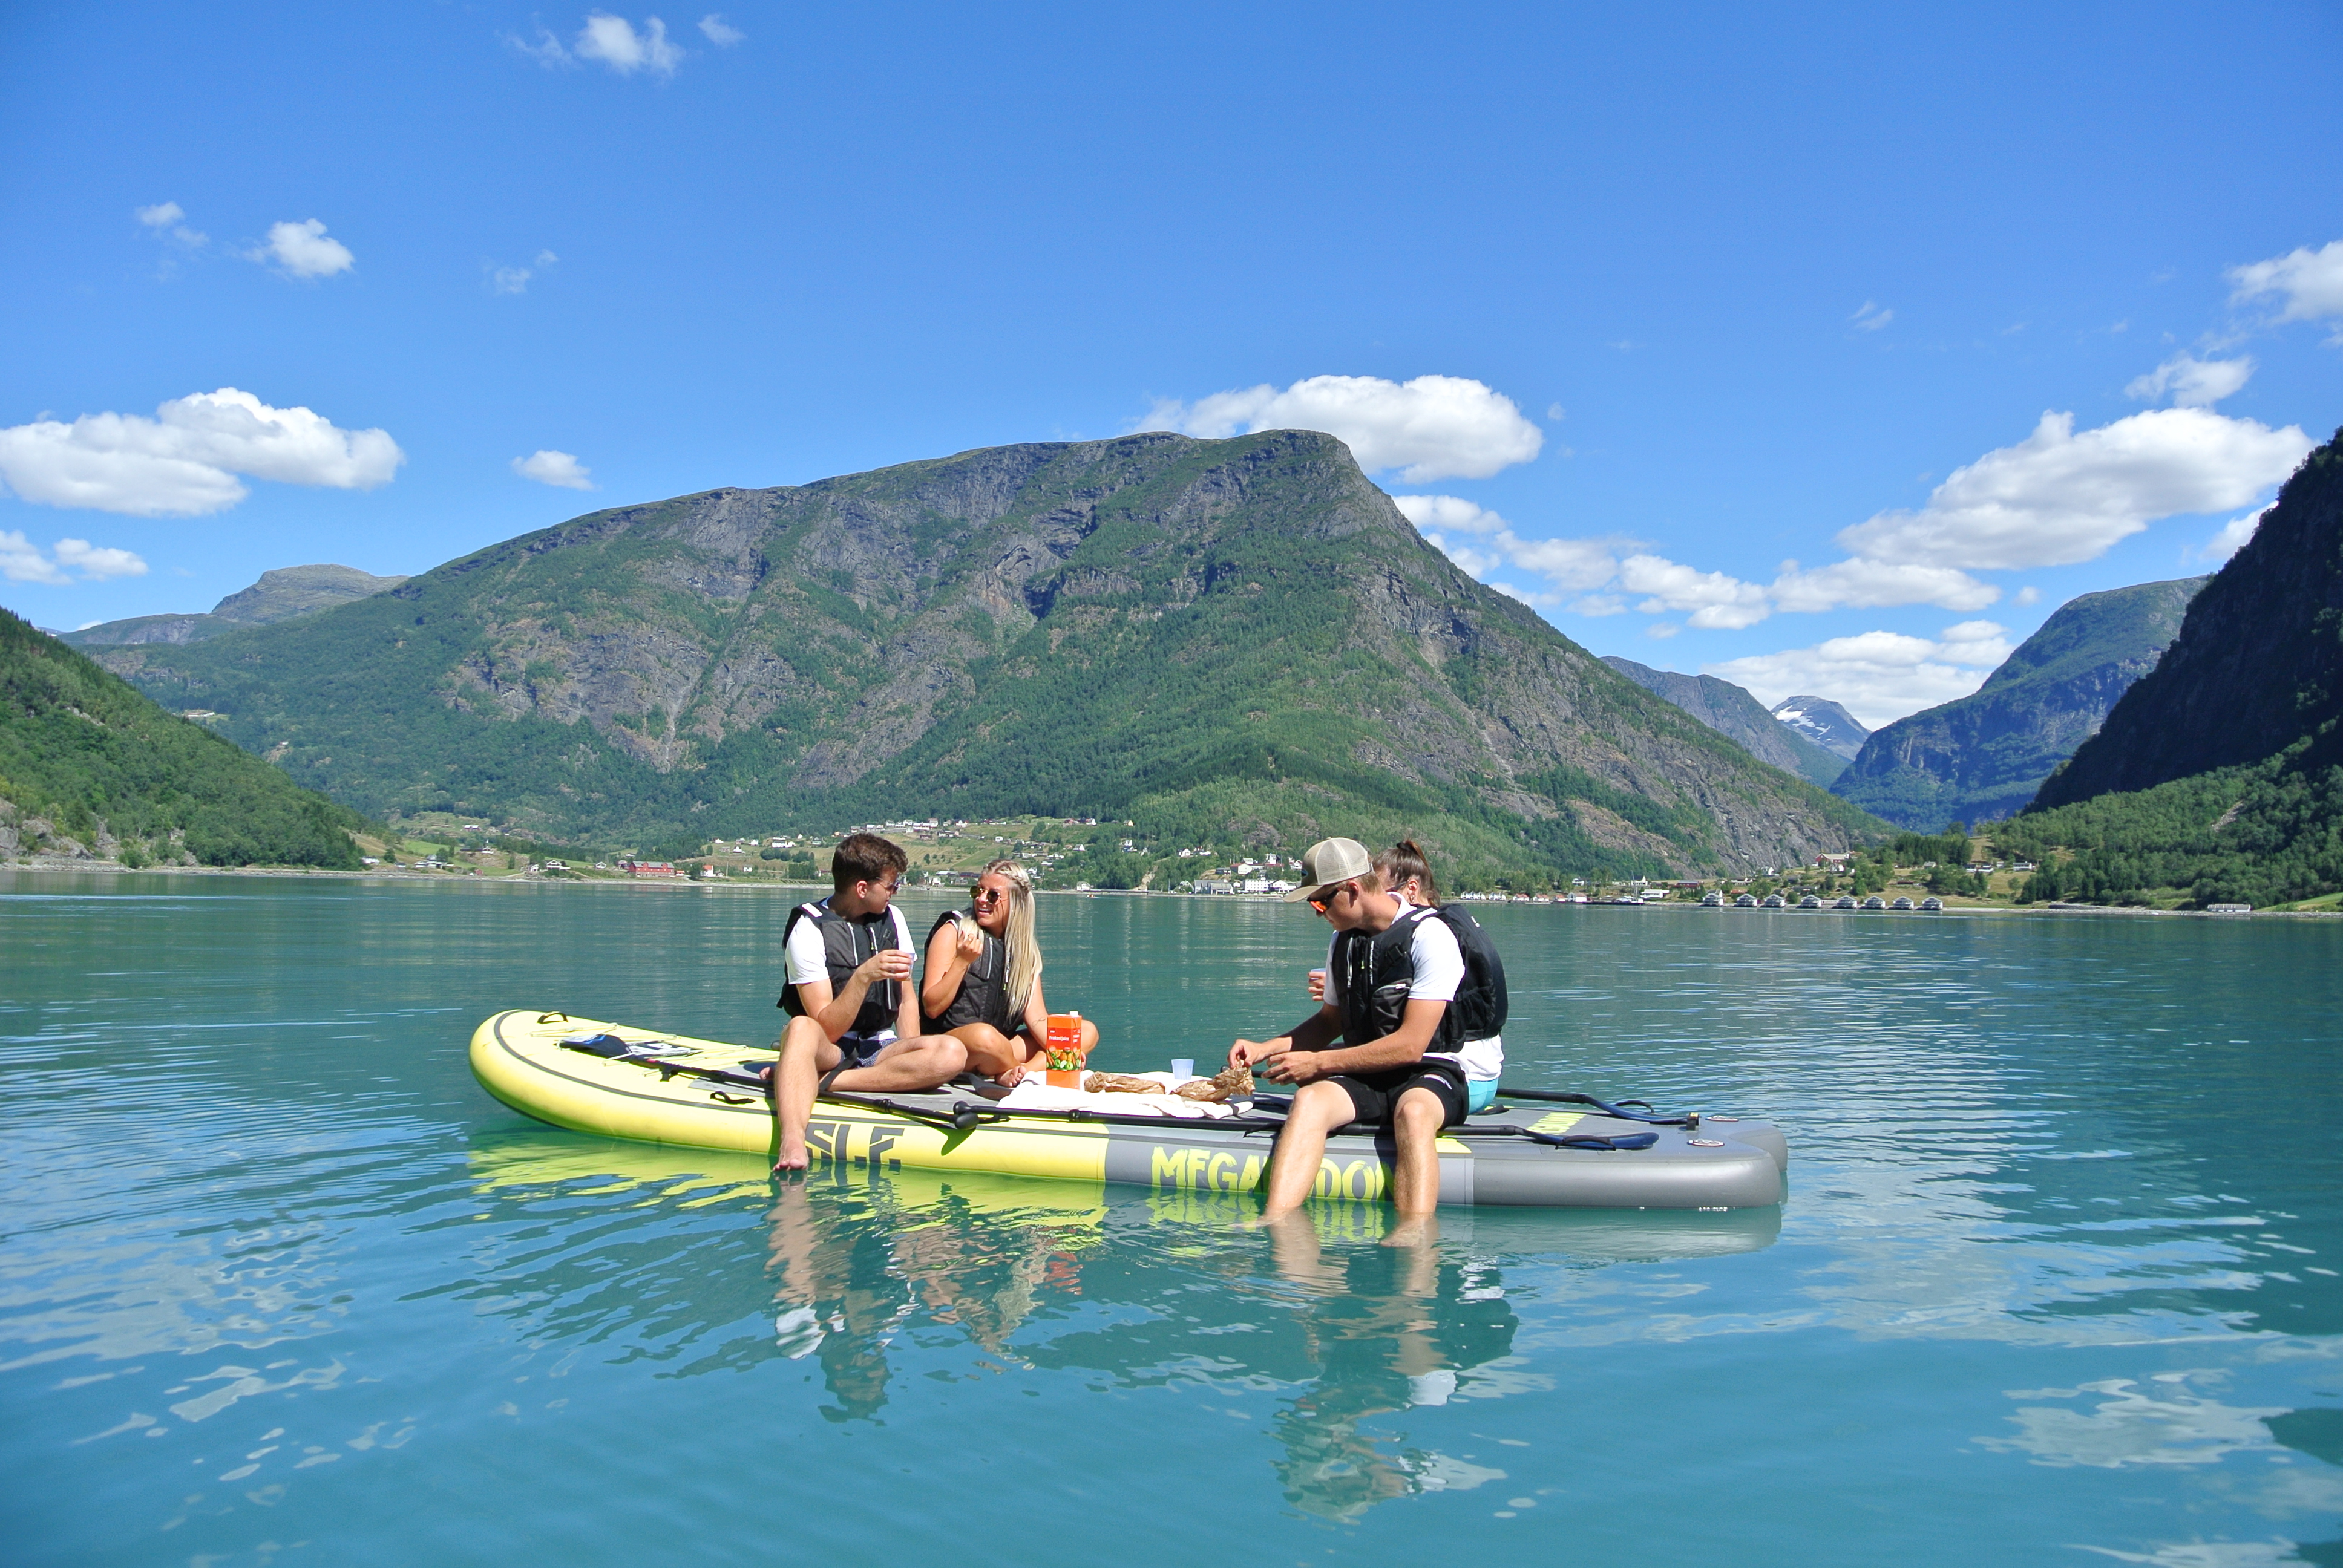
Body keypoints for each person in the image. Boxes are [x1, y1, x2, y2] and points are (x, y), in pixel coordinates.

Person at [1229, 837, 1472, 1224]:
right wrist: (1265, 1049)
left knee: (1413, 1113)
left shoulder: (1431, 937)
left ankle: (1414, 1235)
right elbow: (1330, 1022)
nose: (1317, 913)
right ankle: (1277, 1221)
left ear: (1353, 890)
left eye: (1321, 902)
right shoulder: (1341, 943)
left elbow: (1411, 1046)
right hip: (1367, 1078)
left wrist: (1319, 1063)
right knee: (1309, 1102)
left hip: (1430, 1073)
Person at [768, 832, 966, 1172]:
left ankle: (812, 1082)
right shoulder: (808, 929)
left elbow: (904, 994)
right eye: (891, 886)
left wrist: (912, 1052)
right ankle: (792, 1139)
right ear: (863, 888)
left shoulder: (894, 919)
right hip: (829, 1049)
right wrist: (863, 976)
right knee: (800, 1027)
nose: (895, 892)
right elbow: (825, 1025)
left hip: (878, 1046)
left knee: (951, 1052)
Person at [917, 858, 1098, 1085]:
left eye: (992, 895)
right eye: (978, 891)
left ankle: (1020, 1073)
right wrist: (962, 962)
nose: (981, 900)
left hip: (1002, 1047)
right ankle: (1014, 1069)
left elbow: (1039, 1020)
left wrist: (1064, 1047)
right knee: (985, 1036)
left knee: (1084, 1032)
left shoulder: (1024, 953)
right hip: (954, 1046)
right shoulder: (953, 932)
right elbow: (932, 1008)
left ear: (1016, 902)